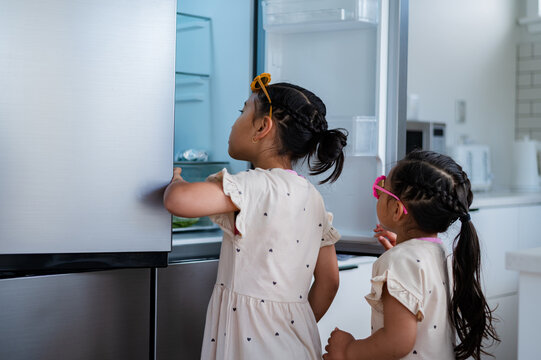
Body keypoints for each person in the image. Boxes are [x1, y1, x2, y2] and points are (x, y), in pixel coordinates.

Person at [163, 73, 348, 360]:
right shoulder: (313, 198)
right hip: (296, 343)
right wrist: (291, 324)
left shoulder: (252, 186)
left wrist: (175, 177)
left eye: (242, 111)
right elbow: (330, 280)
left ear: (262, 126)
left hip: (251, 348)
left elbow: (179, 200)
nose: (236, 119)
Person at [323, 150, 499, 360]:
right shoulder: (441, 253)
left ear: (397, 210)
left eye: (381, 188)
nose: (377, 192)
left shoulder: (400, 261)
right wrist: (403, 252)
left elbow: (398, 341)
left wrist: (347, 351)